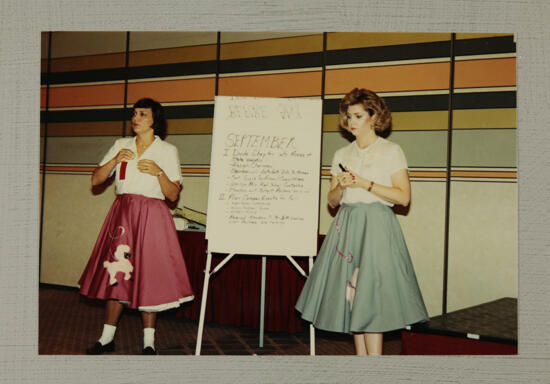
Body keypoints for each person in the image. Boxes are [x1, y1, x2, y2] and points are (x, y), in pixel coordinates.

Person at [295, 88, 428, 355]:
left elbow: (403, 197)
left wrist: (363, 183)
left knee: (371, 298)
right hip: (348, 226)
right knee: (351, 296)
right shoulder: (342, 154)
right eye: (348, 116)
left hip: (377, 227)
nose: (351, 121)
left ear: (373, 116)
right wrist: (342, 187)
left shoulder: (392, 151)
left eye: (357, 115)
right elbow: (332, 202)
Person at [78, 98, 194, 355]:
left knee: (148, 274)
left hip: (152, 216)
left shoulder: (167, 150)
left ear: (155, 120)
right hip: (123, 214)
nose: (136, 118)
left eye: (143, 114)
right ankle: (106, 338)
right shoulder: (121, 145)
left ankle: (149, 342)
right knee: (117, 273)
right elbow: (96, 180)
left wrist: (159, 172)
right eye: (134, 113)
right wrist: (114, 160)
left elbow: (173, 195)